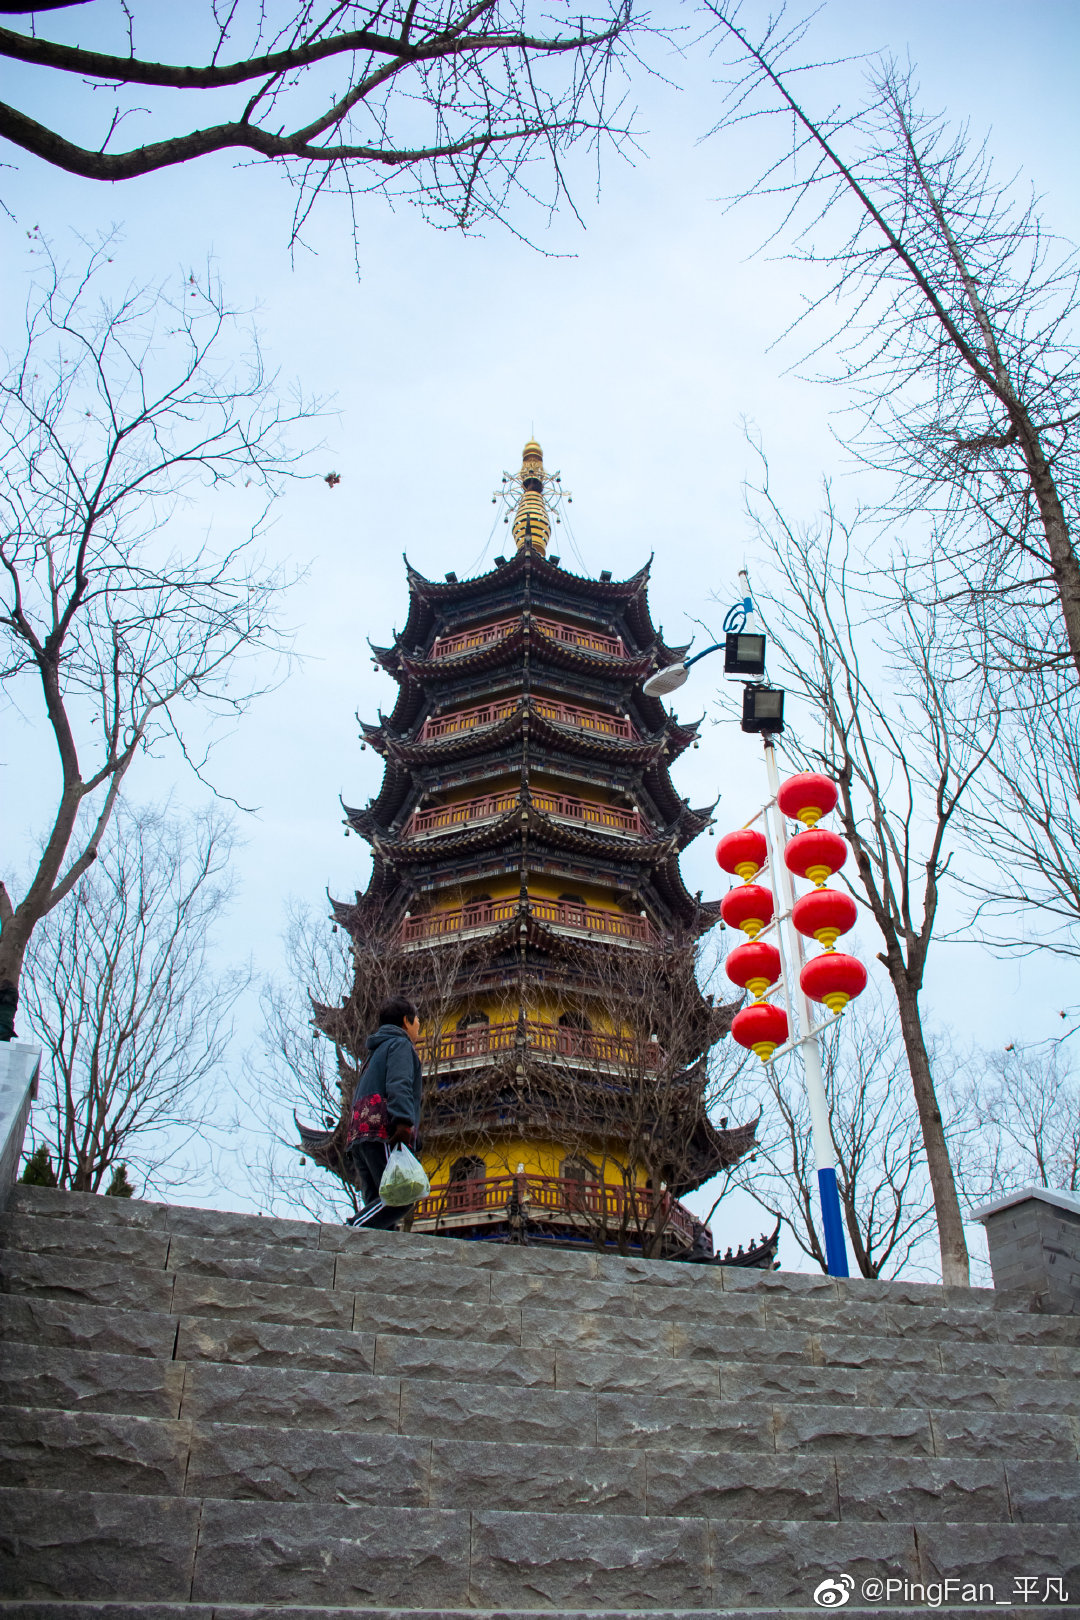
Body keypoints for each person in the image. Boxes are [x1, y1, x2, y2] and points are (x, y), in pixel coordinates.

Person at [344, 994, 423, 1229]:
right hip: (384, 1131)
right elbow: (399, 1083)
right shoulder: (400, 1044)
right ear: (406, 1021)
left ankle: (365, 1244)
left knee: (377, 1203)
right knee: (402, 1193)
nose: (419, 1025)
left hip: (360, 1134)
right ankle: (353, 1229)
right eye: (417, 1020)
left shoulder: (374, 1053)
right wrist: (403, 1122)